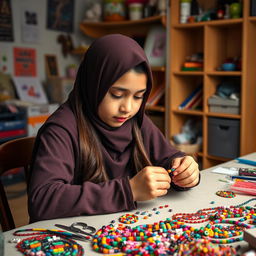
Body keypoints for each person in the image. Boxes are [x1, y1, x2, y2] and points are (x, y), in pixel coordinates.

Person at [28, 34, 200, 222]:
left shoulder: (135, 121)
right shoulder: (61, 129)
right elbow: (43, 200)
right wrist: (129, 190)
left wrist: (184, 170)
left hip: (123, 229)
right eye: (117, 94)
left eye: (138, 96)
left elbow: (168, 158)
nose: (127, 108)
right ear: (94, 84)